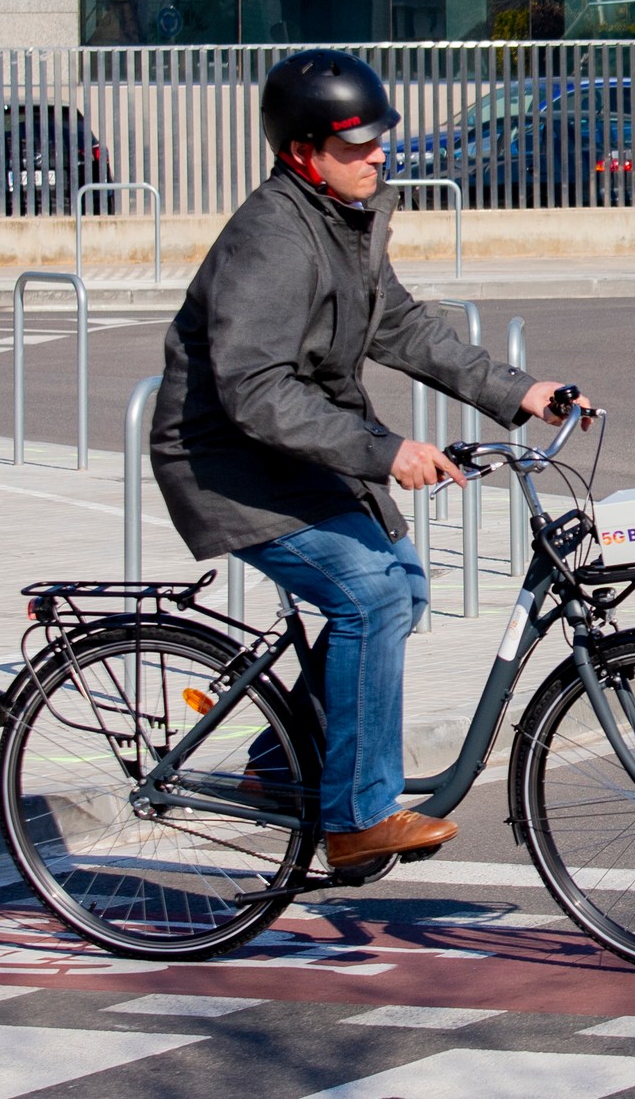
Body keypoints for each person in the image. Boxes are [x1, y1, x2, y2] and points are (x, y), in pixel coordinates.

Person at [150, 49, 589, 870]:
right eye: (356, 146)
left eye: (380, 139)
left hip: (297, 446)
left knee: (405, 583)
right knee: (371, 595)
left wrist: (523, 393)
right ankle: (354, 820)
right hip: (225, 459)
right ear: (301, 154)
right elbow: (252, 390)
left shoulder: (349, 219)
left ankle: (280, 768)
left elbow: (402, 327)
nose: (378, 156)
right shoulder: (272, 239)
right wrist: (385, 452)